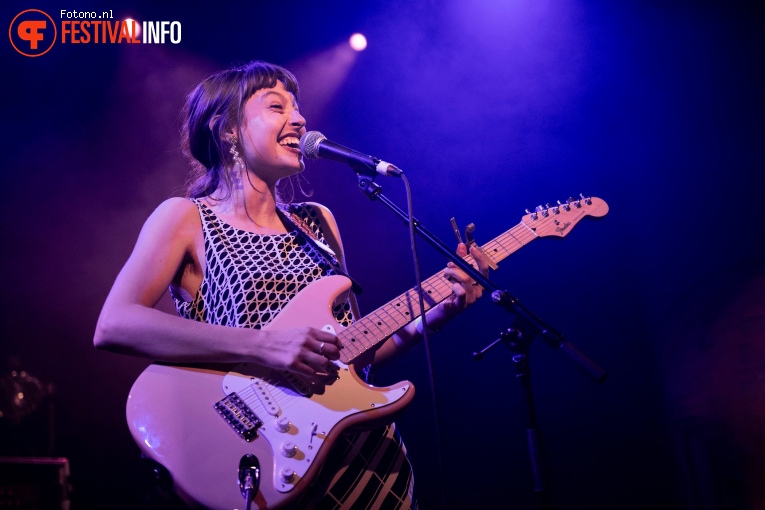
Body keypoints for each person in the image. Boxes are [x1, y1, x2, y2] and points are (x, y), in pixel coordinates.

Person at [94, 60, 490, 509]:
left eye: (298, 107)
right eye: (276, 106)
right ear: (226, 130)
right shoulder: (186, 217)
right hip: (266, 453)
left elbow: (350, 352)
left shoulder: (318, 223)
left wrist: (434, 315)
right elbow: (115, 323)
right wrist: (263, 345)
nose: (299, 119)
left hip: (367, 458)